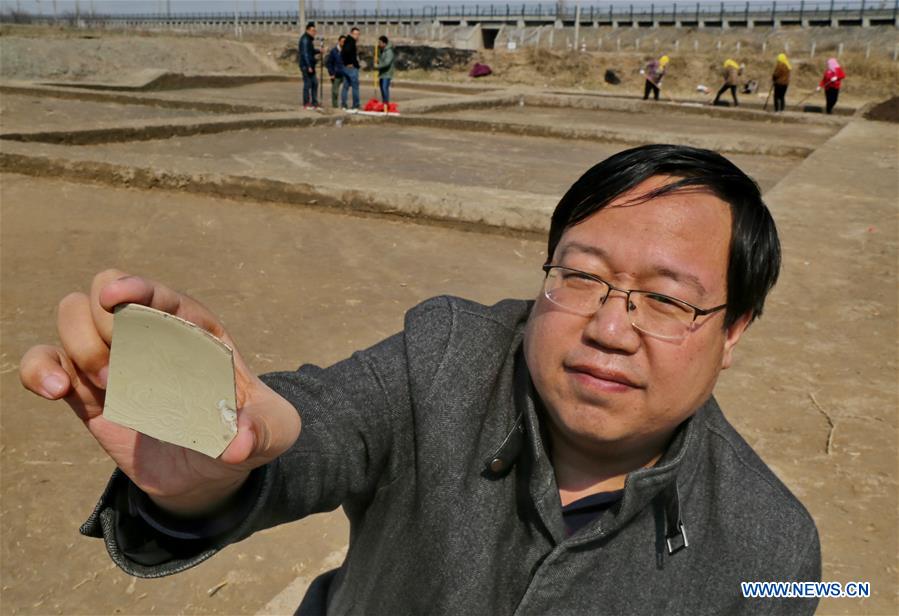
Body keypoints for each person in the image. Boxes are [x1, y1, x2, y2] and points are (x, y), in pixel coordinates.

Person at [20, 144, 821, 615]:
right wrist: (215, 458)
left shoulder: (773, 550)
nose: (609, 328)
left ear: (732, 330)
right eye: (579, 276)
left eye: (664, 300)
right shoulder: (446, 357)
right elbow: (318, 422)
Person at [297, 21, 320, 110]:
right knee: (308, 84)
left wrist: (319, 51)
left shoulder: (308, 39)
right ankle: (306, 103)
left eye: (315, 31)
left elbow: (311, 51)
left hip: (310, 65)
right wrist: (309, 66)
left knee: (315, 83)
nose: (314, 33)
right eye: (313, 31)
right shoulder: (305, 40)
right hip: (306, 66)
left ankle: (314, 102)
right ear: (308, 30)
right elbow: (305, 54)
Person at [340, 26, 361, 112]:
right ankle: (356, 105)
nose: (357, 36)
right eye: (355, 34)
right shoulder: (351, 42)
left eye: (358, 34)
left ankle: (344, 104)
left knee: (345, 86)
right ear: (351, 33)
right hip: (351, 68)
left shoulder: (347, 41)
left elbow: (342, 53)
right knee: (355, 87)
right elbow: (348, 53)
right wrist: (354, 64)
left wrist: (345, 63)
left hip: (345, 67)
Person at [325, 35, 346, 109]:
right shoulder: (334, 51)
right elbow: (329, 63)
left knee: (345, 91)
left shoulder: (346, 51)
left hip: (345, 74)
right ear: (339, 41)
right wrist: (331, 73)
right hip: (336, 74)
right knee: (335, 92)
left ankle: (344, 105)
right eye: (343, 41)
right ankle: (335, 107)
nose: (344, 43)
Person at [376, 35, 396, 105]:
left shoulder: (389, 51)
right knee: (382, 89)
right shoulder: (381, 50)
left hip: (387, 73)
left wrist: (377, 66)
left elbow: (386, 63)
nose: (379, 44)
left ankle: (386, 104)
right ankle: (384, 103)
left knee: (384, 89)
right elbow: (380, 59)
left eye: (380, 42)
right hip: (382, 73)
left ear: (384, 43)